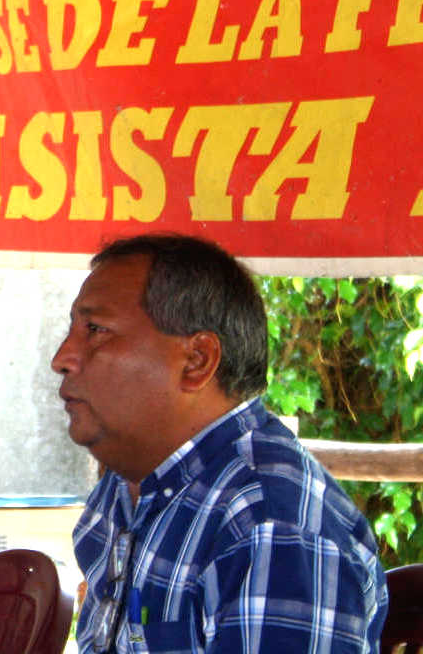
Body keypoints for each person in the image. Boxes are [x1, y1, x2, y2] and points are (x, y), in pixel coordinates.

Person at [53, 234, 388, 653]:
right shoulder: (126, 487)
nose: (62, 357)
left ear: (196, 362)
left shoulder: (270, 525)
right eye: (73, 331)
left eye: (96, 330)